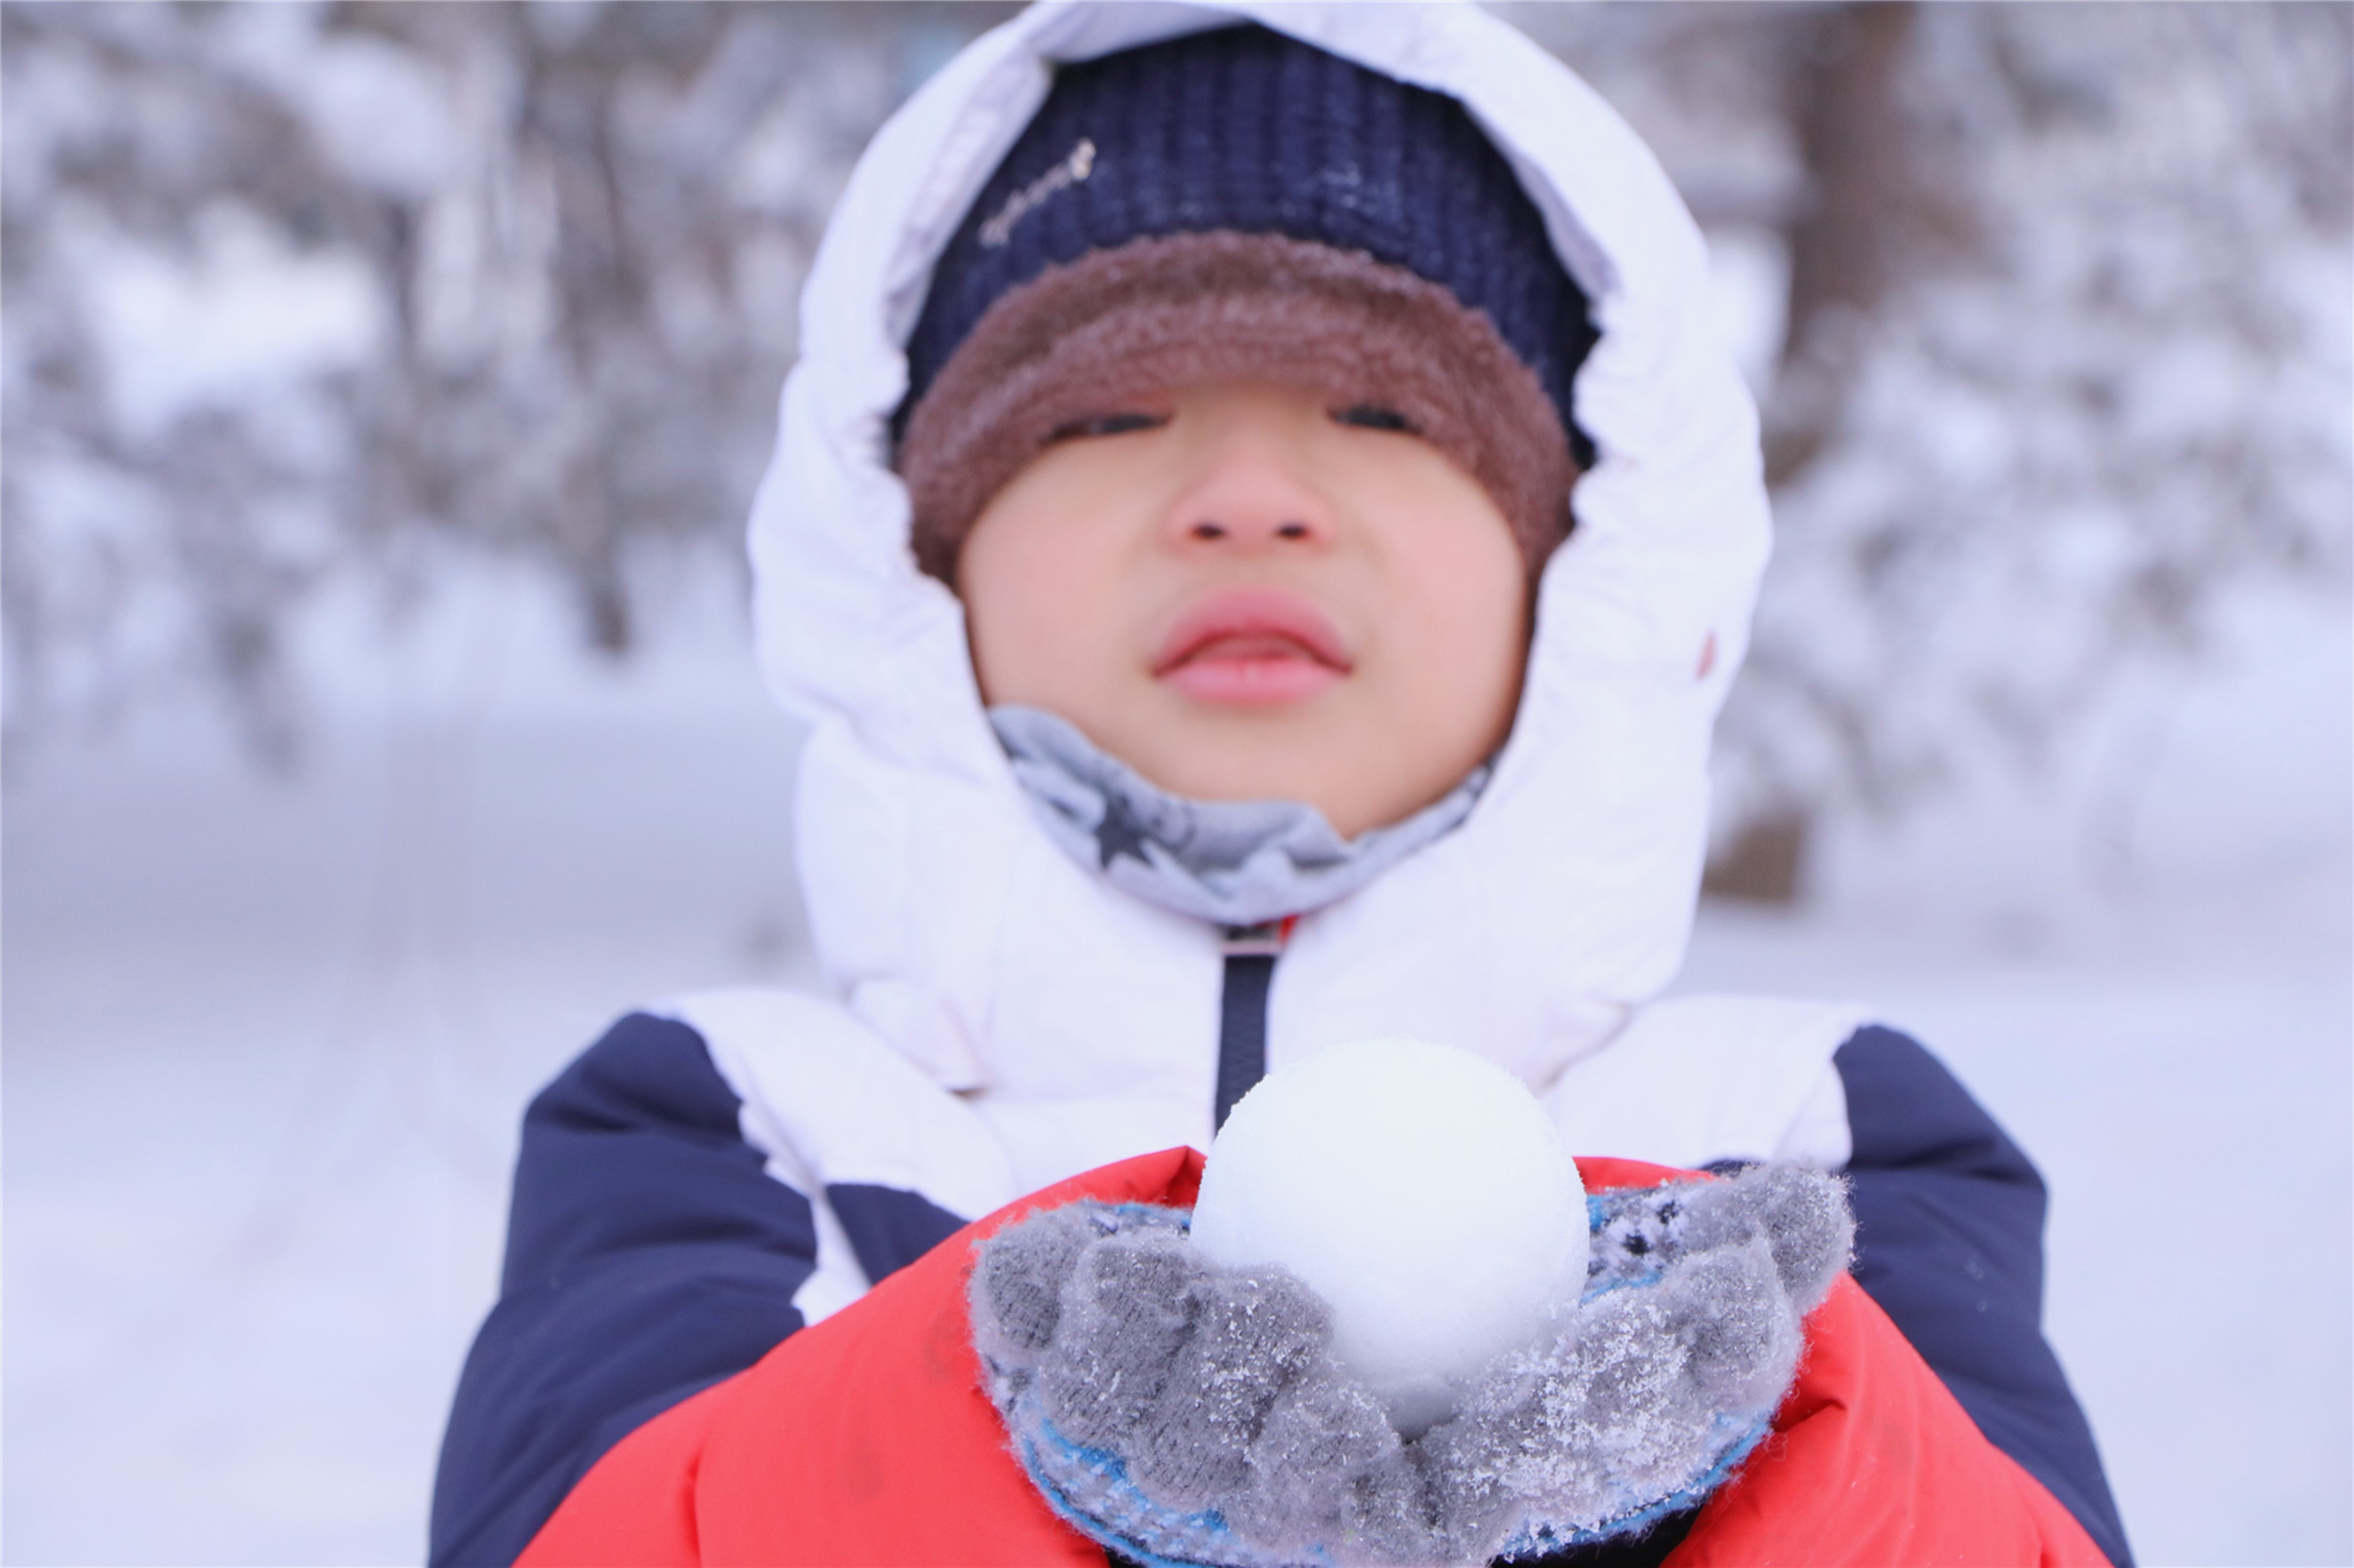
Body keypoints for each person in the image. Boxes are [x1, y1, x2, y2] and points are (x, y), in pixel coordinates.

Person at [430, 7, 2131, 1565]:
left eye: (1384, 410)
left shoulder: (1800, 1143)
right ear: (917, 560)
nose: (1248, 493)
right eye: (1103, 419)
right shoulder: (728, 1123)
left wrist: (1745, 1465)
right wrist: (1002, 1428)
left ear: (1579, 570)